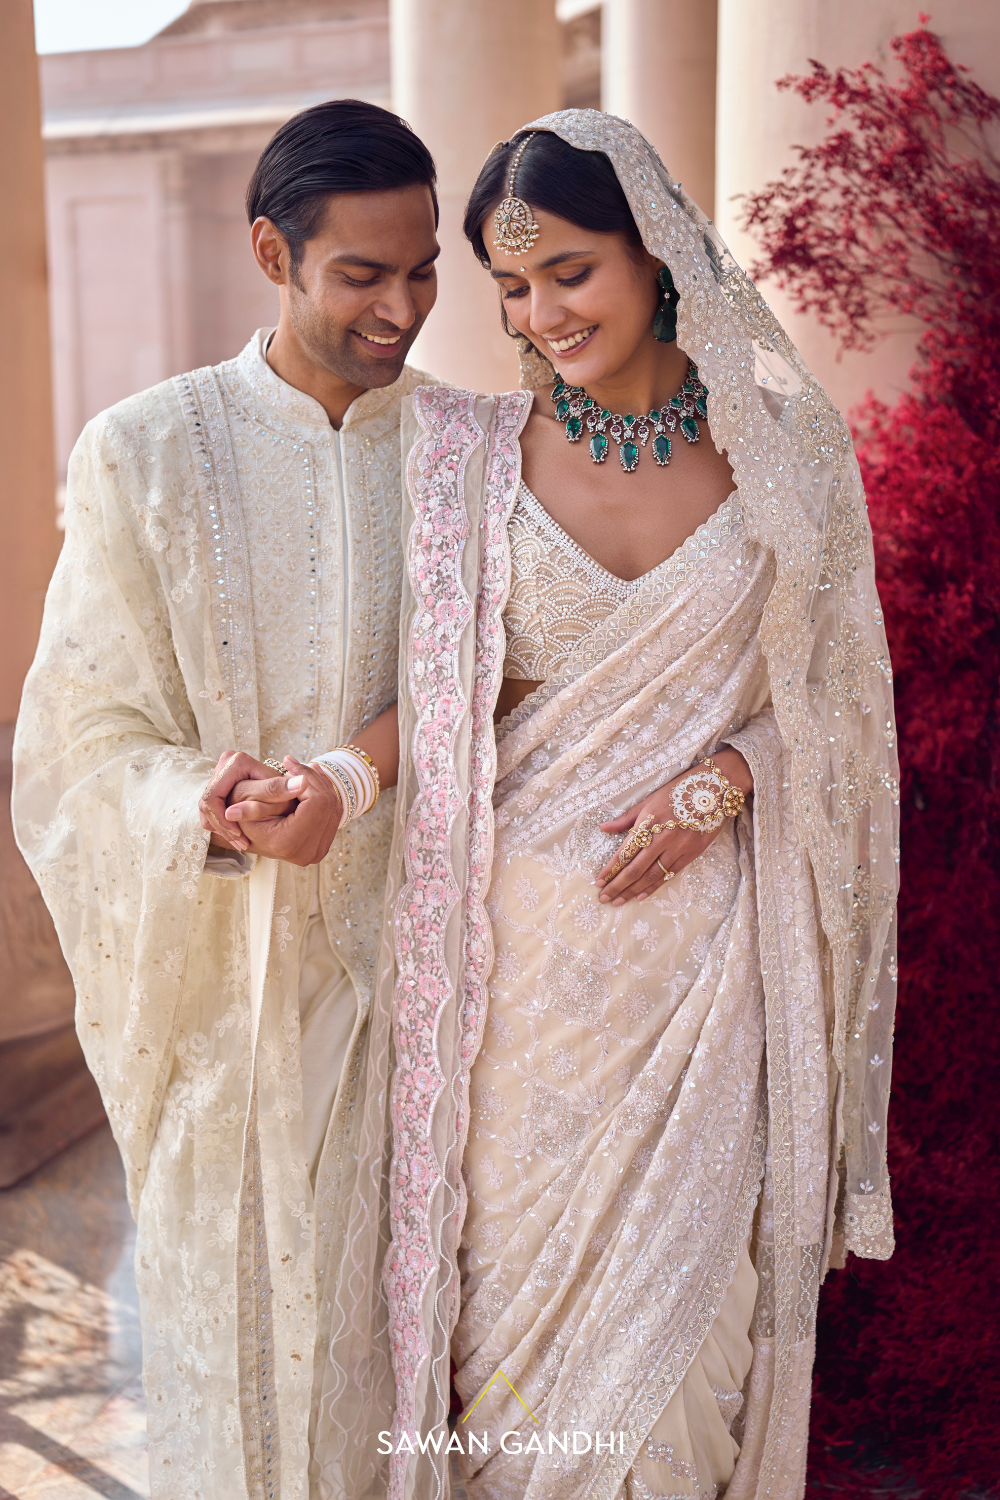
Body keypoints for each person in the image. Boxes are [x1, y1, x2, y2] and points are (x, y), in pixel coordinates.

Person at [258, 110, 898, 1499]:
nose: (538, 314)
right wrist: (340, 776)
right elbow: (443, 698)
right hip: (515, 994)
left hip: (702, 984)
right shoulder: (471, 461)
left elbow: (839, 718)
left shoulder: (790, 456)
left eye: (569, 273)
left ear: (656, 256)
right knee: (505, 1365)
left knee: (681, 1366)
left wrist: (726, 782)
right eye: (509, 286)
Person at [12, 98, 439, 1497]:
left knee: (400, 1349)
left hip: (425, 986)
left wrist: (355, 778)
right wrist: (198, 799)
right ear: (273, 251)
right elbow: (77, 740)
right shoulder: (145, 453)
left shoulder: (473, 456)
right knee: (234, 1354)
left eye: (423, 268)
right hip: (223, 1010)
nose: (404, 308)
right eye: (362, 274)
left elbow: (515, 679)